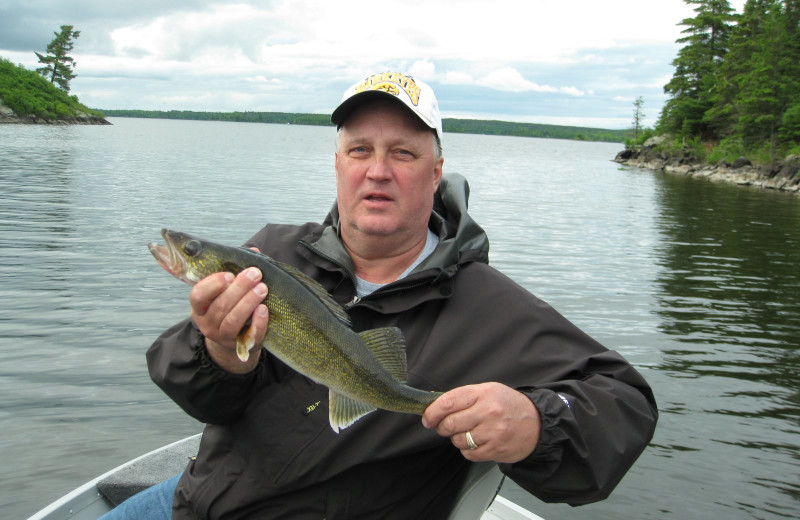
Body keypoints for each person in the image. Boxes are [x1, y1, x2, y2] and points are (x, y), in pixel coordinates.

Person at [114, 71, 658, 519]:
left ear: (437, 172)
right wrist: (218, 352)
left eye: (402, 152)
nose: (377, 171)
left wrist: (540, 423)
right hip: (196, 503)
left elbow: (624, 401)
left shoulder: (492, 310)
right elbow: (197, 396)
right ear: (337, 165)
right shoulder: (271, 253)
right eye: (359, 150)